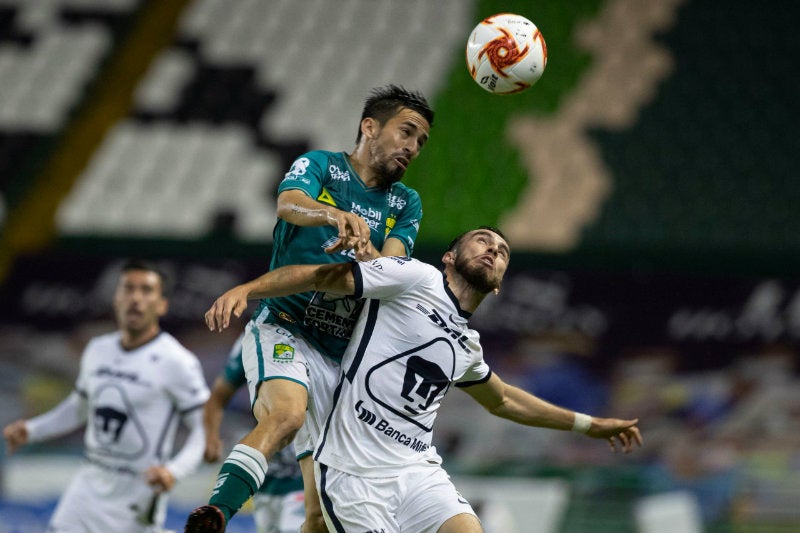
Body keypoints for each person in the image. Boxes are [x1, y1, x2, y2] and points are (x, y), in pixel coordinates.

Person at [202, 227, 643, 533]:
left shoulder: (468, 346)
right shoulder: (415, 278)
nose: (493, 250)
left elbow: (505, 400)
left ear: (499, 285)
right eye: (482, 241)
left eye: (503, 251)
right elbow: (325, 277)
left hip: (418, 472)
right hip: (352, 473)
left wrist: (589, 425)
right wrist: (250, 289)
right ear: (450, 257)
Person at [185, 84, 434, 533]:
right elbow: (288, 204)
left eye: (420, 142)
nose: (413, 148)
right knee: (286, 414)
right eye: (407, 132)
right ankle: (217, 512)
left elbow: (391, 268)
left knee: (320, 513)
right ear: (370, 127)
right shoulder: (322, 166)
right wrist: (331, 215)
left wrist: (366, 254)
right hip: (284, 327)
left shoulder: (406, 202)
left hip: (341, 358)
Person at [3, 259, 210, 533]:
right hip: (89, 482)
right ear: (116, 299)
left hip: (137, 492)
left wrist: (175, 470)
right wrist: (32, 430)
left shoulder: (177, 362)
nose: (135, 298)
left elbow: (205, 428)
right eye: (128, 289)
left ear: (162, 304)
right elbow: (79, 407)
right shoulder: (97, 350)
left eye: (146, 291)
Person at [203, 334, 305, 533]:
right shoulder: (256, 336)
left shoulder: (333, 331)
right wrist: (211, 437)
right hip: (267, 473)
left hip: (307, 471)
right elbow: (218, 396)